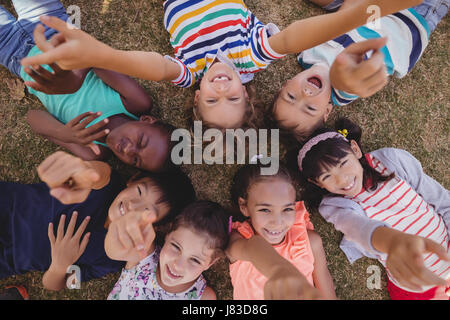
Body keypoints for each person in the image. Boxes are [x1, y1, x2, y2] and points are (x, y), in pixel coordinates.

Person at [21, 0, 422, 130]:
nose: (220, 87)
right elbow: (293, 36)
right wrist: (355, 15)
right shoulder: (251, 57)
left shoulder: (190, 70)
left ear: (197, 97)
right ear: (245, 90)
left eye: (213, 100)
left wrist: (99, 56)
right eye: (232, 96)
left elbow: (152, 67)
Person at [0, 0, 175, 171]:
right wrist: (76, 79)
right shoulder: (136, 103)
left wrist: (63, 134)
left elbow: (32, 117)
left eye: (135, 160)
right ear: (147, 120)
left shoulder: (93, 151)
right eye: (141, 141)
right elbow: (97, 57)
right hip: (52, 29)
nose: (129, 150)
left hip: (15, 56)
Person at [296, 117, 450, 299]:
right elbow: (357, 228)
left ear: (355, 149)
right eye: (327, 177)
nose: (342, 179)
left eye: (343, 163)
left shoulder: (390, 160)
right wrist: (393, 242)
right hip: (413, 286)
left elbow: (441, 200)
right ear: (316, 183)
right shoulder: (334, 206)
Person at [0, 151, 196, 291]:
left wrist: (60, 264)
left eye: (146, 210)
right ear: (133, 179)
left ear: (155, 226)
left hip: (8, 259)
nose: (132, 205)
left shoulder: (111, 259)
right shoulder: (107, 185)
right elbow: (99, 173)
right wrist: (88, 171)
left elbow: (58, 284)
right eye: (138, 191)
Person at [272, 0, 448, 142]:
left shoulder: (305, 56)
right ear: (327, 111)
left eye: (291, 97)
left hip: (359, 10)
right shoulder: (344, 89)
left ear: (285, 85)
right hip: (408, 17)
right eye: (310, 108)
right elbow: (350, 80)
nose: (306, 93)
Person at [226, 163, 336, 299]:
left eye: (287, 209)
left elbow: (323, 278)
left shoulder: (310, 242)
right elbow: (252, 248)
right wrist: (278, 269)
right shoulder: (239, 240)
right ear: (244, 206)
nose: (277, 222)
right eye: (265, 210)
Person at [105, 200, 229, 300]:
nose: (178, 265)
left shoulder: (203, 297)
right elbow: (114, 251)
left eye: (195, 260)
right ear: (168, 234)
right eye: (176, 247)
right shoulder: (144, 253)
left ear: (210, 263)